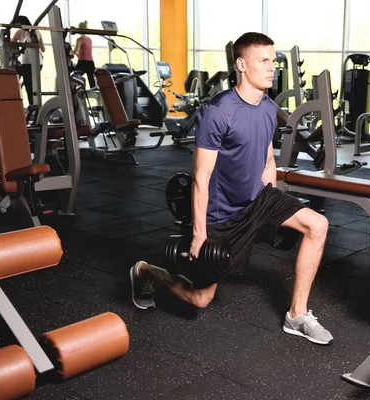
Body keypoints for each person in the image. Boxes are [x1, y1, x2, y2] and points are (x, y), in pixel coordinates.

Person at [130, 32, 333, 345]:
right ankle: (144, 271)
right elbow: (201, 175)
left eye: (274, 60)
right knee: (200, 299)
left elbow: (267, 159)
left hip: (258, 200)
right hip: (223, 215)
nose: (272, 67)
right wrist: (199, 234)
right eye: (263, 60)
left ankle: (297, 315)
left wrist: (270, 203)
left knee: (317, 225)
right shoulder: (219, 111)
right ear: (241, 64)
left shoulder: (267, 108)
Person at [12, 16, 46, 106]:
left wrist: (18, 48)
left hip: (27, 61)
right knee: (35, 85)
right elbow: (43, 49)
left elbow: (11, 44)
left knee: (29, 86)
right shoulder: (37, 32)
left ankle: (33, 105)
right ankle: (37, 106)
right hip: (38, 61)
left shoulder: (19, 32)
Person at [71, 21, 96, 88]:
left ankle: (77, 92)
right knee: (92, 84)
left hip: (83, 63)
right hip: (90, 63)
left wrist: (69, 52)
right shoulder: (89, 39)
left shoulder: (79, 39)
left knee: (73, 77)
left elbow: (74, 51)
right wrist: (77, 55)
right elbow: (85, 52)